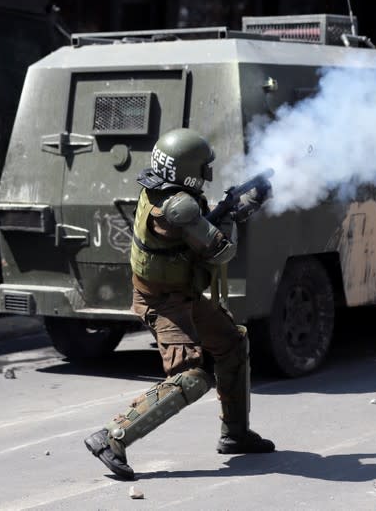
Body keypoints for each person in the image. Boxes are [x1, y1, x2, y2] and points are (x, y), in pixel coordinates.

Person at [84, 128, 274, 480]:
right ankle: (111, 438)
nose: (207, 174)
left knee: (233, 342)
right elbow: (222, 250)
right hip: (162, 301)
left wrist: (236, 208)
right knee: (192, 378)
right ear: (187, 169)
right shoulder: (179, 204)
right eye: (203, 167)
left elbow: (198, 232)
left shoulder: (162, 189)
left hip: (179, 292)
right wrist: (236, 213)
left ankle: (235, 434)